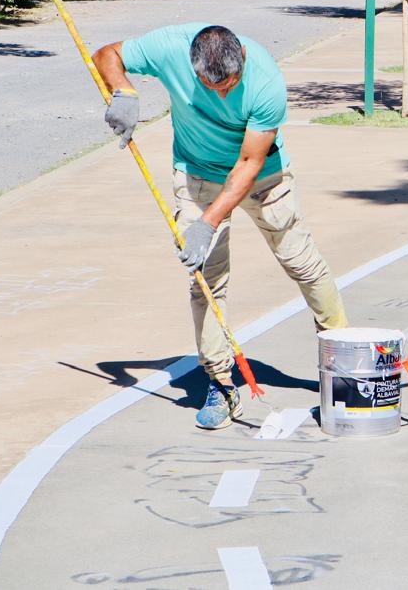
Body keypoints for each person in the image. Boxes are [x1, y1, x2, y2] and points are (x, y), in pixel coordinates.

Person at [93, 24, 349, 429]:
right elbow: (107, 53)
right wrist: (124, 91)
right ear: (193, 69)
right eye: (210, 88)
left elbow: (248, 165)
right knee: (206, 280)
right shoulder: (169, 48)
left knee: (303, 264)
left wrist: (208, 222)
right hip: (197, 176)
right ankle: (221, 383)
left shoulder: (266, 82)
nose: (221, 96)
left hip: (262, 177)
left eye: (229, 87)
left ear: (242, 61)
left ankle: (344, 360)